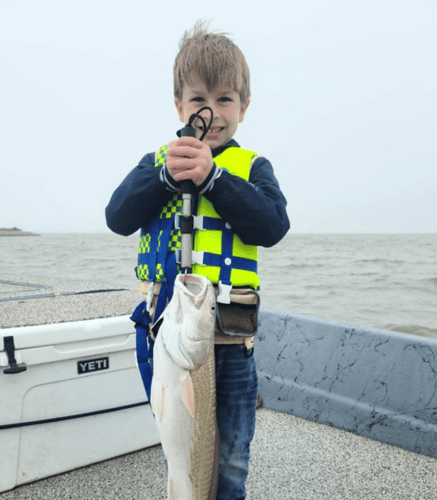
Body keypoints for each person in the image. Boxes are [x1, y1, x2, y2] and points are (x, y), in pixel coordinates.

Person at [106, 20, 290, 500]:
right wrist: (165, 177)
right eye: (199, 99)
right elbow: (117, 217)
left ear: (244, 107)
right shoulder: (156, 161)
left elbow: (272, 226)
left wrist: (213, 180)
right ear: (179, 106)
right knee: (179, 453)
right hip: (162, 335)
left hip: (229, 340)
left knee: (229, 458)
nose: (212, 111)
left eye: (225, 99)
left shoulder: (252, 168)